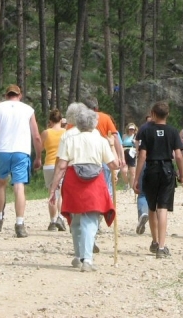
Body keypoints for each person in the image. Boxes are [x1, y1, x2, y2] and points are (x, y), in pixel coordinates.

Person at [49, 103, 119, 272]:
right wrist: (111, 146)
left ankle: (79, 256)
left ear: (78, 123)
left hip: (73, 180)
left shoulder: (70, 138)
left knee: (76, 220)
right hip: (94, 181)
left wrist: (54, 188)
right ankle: (87, 259)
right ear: (94, 123)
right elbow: (113, 164)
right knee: (90, 220)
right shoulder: (100, 140)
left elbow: (62, 166)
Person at [0, 84, 43, 238]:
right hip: (21, 151)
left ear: (6, 95)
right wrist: (38, 156)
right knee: (19, 186)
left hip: (2, 151)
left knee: (0, 183)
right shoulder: (28, 110)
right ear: (20, 95)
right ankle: (19, 223)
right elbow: (36, 136)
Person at [133, 102, 183, 258]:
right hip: (167, 170)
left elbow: (142, 155)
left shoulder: (146, 131)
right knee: (163, 208)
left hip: (151, 169)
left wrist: (136, 178)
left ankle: (154, 241)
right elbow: (178, 155)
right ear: (167, 114)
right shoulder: (173, 131)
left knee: (152, 207)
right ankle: (162, 247)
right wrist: (182, 174)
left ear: (153, 113)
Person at [82, 96, 124, 199]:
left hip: (84, 157)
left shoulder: (77, 120)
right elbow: (114, 136)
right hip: (104, 155)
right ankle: (105, 206)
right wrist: (120, 157)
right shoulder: (104, 118)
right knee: (105, 185)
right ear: (96, 108)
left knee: (87, 186)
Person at [41, 109, 67, 231]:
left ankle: (52, 221)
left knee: (52, 193)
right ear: (61, 120)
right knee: (61, 193)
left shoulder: (46, 132)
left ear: (50, 121)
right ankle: (60, 218)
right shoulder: (66, 132)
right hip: (61, 164)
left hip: (49, 165)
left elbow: (40, 148)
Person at [122, 123, 138, 192]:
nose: (132, 131)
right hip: (124, 152)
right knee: (124, 171)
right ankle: (126, 184)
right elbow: (121, 144)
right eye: (130, 129)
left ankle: (131, 187)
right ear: (128, 129)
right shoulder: (124, 136)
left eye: (133, 129)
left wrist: (135, 142)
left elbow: (139, 146)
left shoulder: (136, 136)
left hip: (132, 153)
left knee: (132, 172)